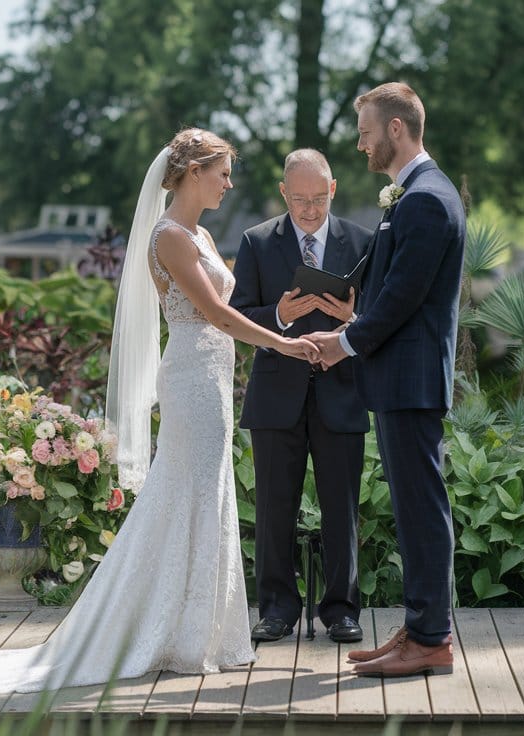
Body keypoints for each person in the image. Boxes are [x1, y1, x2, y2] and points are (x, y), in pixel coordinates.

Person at [0, 128, 320, 700]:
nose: (229, 183)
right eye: (223, 172)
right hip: (189, 376)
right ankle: (169, 634)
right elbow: (213, 313)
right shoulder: (170, 239)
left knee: (208, 496)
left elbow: (231, 308)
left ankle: (200, 632)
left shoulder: (204, 235)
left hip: (212, 378)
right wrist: (282, 343)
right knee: (183, 494)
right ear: (192, 172)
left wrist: (280, 313)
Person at [306, 82, 466, 678]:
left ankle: (430, 639)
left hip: (411, 379)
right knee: (414, 506)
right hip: (403, 378)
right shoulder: (418, 194)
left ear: (396, 129)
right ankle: (423, 627)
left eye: (366, 131)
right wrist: (351, 312)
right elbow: (390, 287)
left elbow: (402, 299)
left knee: (422, 508)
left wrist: (343, 344)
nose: (361, 143)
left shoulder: (425, 199)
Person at [230, 149, 370, 645]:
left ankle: (341, 611)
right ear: (283, 192)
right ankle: (276, 608)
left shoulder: (363, 242)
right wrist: (282, 316)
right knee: (273, 507)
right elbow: (238, 317)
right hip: (275, 396)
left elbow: (381, 318)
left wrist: (354, 319)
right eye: (299, 199)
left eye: (318, 198)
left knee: (341, 507)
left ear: (332, 190)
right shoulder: (256, 241)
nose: (309, 210)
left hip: (342, 394)